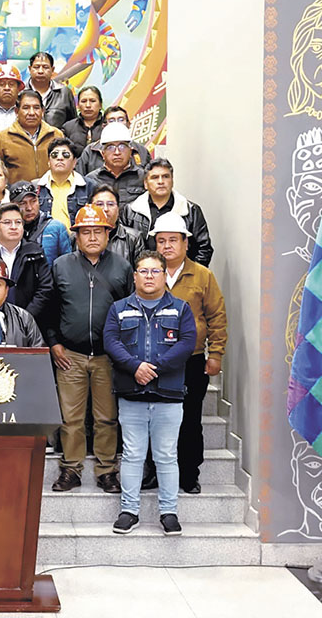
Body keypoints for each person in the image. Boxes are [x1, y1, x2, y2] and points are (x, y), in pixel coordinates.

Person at [104, 251, 197, 536]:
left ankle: (168, 512)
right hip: (131, 393)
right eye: (143, 271)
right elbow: (111, 340)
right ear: (134, 276)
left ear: (163, 275)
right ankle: (128, 511)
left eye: (155, 271)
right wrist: (135, 367)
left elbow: (187, 342)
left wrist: (153, 368)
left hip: (168, 394)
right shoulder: (119, 309)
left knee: (167, 456)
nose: (148, 276)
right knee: (132, 454)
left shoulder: (180, 309)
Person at [45, 205, 133, 494]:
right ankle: (71, 468)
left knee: (106, 416)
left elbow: (129, 311)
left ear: (108, 234)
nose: (92, 237)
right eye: (86, 232)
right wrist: (55, 343)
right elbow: (49, 310)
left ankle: (107, 470)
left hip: (109, 357)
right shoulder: (61, 265)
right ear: (77, 236)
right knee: (71, 417)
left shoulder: (121, 267)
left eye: (98, 231)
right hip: (70, 354)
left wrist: (123, 352)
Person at [151, 213, 228, 494]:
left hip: (192, 360)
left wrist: (216, 353)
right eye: (161, 240)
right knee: (155, 417)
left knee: (190, 419)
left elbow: (217, 316)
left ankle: (188, 473)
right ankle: (154, 471)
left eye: (173, 240)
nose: (167, 246)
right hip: (154, 361)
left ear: (186, 243)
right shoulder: (148, 273)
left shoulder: (202, 275)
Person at [120, 158, 214, 267]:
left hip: (182, 278)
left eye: (165, 176)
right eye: (155, 177)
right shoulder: (130, 211)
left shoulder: (190, 210)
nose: (161, 181)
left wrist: (189, 275)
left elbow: (204, 249)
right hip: (144, 278)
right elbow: (123, 249)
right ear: (145, 183)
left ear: (172, 180)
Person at [0, 203, 53, 322]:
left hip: (29, 321)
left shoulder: (36, 253)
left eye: (18, 222)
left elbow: (45, 289)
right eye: (7, 222)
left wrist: (24, 318)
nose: (14, 227)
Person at [0, 90, 66, 184]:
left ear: (42, 111)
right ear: (17, 111)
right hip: (18, 196)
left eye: (36, 108)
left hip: (52, 193)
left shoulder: (56, 135)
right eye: (26, 108)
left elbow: (66, 166)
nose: (31, 113)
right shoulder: (3, 138)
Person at [76, 105, 152, 175]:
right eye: (111, 120)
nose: (117, 123)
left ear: (128, 124)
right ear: (104, 126)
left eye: (121, 119)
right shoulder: (91, 151)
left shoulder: (141, 151)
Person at [35, 138, 92, 228]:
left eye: (65, 155)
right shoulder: (36, 187)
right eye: (54, 155)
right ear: (49, 162)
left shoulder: (89, 186)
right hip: (44, 240)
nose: (60, 158)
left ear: (74, 162)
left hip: (78, 239)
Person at [83, 123, 145, 205]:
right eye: (110, 147)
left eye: (122, 146)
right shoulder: (91, 180)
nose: (117, 152)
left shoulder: (143, 177)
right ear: (103, 154)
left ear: (130, 151)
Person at [11, 181, 71, 266]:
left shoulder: (56, 228)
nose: (29, 208)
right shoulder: (9, 230)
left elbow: (67, 264)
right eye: (22, 203)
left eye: (33, 201)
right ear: (12, 205)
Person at [91, 185, 142, 269]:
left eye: (111, 204)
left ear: (118, 209)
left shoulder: (133, 238)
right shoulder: (78, 237)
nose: (105, 209)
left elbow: (139, 273)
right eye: (99, 204)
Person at [25, 52, 76, 130]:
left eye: (45, 67)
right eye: (36, 67)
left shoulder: (64, 93)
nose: (40, 71)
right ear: (30, 69)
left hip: (57, 140)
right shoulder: (21, 93)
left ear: (52, 70)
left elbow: (73, 125)